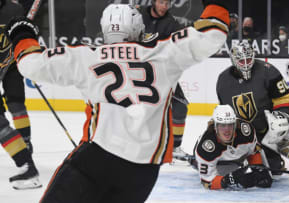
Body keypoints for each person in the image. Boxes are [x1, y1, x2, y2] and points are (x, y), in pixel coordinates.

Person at [6, 1, 230, 202]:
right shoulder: (166, 53)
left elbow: (30, 64)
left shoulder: (87, 57)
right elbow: (213, 32)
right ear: (137, 27)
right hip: (143, 170)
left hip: (96, 158)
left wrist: (22, 33)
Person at [216, 41, 289, 174]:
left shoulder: (268, 71)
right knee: (268, 172)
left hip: (271, 130)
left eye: (249, 59)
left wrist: (281, 116)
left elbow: (285, 99)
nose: (246, 63)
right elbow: (225, 112)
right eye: (242, 61)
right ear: (233, 60)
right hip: (247, 135)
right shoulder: (223, 80)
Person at [138, 0, 189, 157]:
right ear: (153, 2)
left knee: (181, 106)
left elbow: (180, 47)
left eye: (167, 4)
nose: (164, 7)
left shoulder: (171, 23)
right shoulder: (137, 15)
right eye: (161, 2)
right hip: (137, 71)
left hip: (162, 72)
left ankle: (175, 148)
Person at [0, 3, 41, 190]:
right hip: (7, 63)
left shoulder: (13, 9)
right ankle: (26, 162)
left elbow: (28, 31)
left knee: (16, 104)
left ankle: (25, 148)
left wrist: (27, 35)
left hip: (11, 65)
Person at [193, 104, 272, 190]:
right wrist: (227, 181)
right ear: (215, 127)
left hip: (238, 156)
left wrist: (257, 169)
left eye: (230, 125)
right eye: (222, 125)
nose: (227, 130)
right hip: (219, 163)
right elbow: (208, 183)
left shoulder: (246, 132)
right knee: (226, 172)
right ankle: (193, 161)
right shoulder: (206, 148)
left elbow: (254, 151)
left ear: (235, 124)